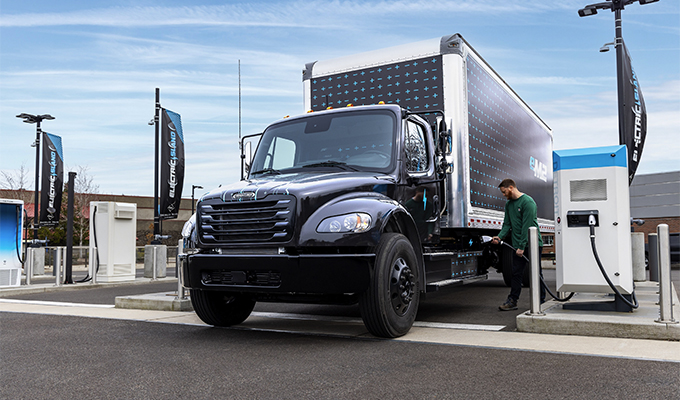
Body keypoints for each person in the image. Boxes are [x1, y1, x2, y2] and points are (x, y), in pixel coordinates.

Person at [491, 179, 544, 311]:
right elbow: (507, 224)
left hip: (532, 244)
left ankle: (541, 301)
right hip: (517, 245)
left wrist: (522, 246)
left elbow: (527, 226)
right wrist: (500, 236)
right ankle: (512, 301)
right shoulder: (509, 204)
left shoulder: (528, 202)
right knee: (516, 273)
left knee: (536, 273)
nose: (503, 195)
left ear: (511, 188)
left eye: (504, 192)